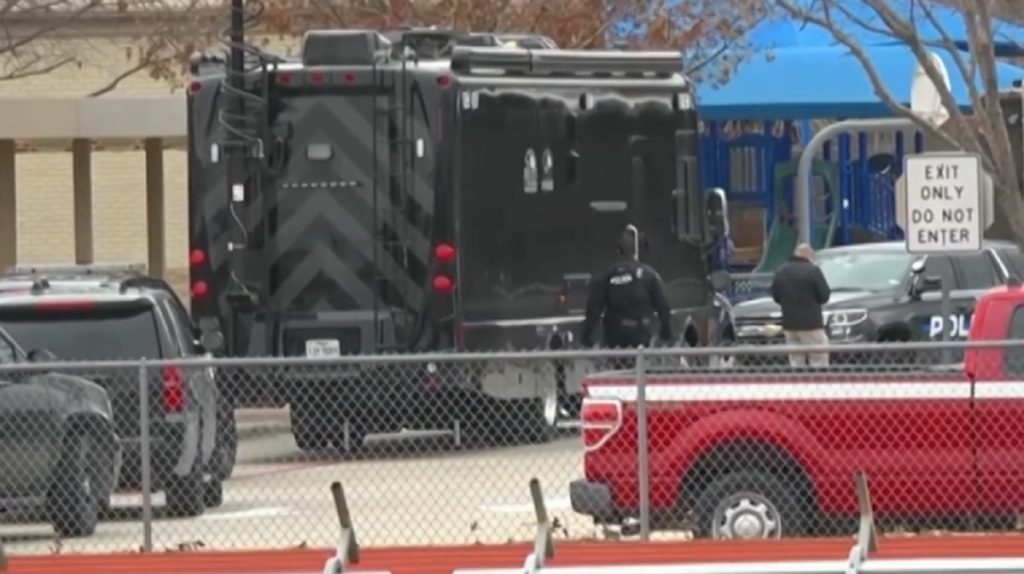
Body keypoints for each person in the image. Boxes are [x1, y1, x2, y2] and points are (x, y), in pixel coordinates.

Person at [581, 226, 673, 364]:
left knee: (617, 370)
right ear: (638, 250)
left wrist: (586, 336)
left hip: (615, 337)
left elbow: (593, 308)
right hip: (641, 334)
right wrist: (665, 332)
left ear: (618, 250)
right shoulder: (649, 274)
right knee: (641, 369)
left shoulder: (607, 275)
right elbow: (663, 306)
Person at [771, 242, 831, 367]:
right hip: (811, 324)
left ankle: (798, 378)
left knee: (795, 359)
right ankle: (818, 378)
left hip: (789, 324)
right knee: (818, 357)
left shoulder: (781, 270)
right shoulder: (813, 271)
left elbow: (776, 296)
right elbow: (824, 295)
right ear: (809, 255)